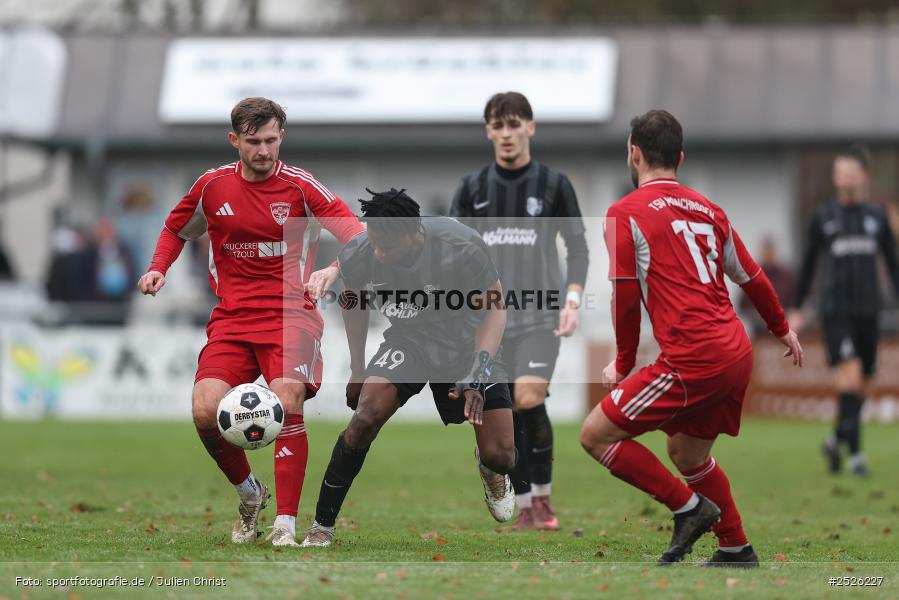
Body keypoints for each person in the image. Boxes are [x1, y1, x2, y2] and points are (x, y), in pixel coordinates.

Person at [137, 97, 364, 547]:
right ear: (234, 140)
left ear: (281, 137)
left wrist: (334, 270)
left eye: (272, 140)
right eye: (255, 142)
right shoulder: (212, 187)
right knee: (205, 411)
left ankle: (286, 524)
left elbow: (354, 232)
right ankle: (249, 493)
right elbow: (175, 229)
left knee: (288, 398)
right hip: (233, 319)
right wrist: (160, 266)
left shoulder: (300, 186)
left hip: (290, 315)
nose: (265, 150)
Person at [580, 110, 803, 567]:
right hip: (736, 351)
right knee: (686, 451)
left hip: (694, 357)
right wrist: (782, 329)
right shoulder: (710, 210)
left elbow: (624, 297)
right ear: (680, 158)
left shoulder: (624, 213)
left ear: (633, 153)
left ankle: (689, 509)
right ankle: (736, 547)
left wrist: (622, 364)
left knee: (596, 435)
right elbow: (754, 278)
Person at [300, 188, 516, 548]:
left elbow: (495, 309)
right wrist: (358, 369)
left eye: (388, 247)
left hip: (468, 342)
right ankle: (322, 527)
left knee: (502, 454)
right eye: (375, 243)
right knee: (364, 418)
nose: (380, 253)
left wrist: (479, 371)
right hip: (410, 341)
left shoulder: (461, 246)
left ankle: (489, 466)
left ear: (415, 233)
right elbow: (354, 302)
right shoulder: (363, 251)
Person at [449, 91, 589, 530]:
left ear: (531, 128)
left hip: (539, 316)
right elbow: (453, 252)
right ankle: (525, 501)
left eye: (515, 125)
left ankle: (542, 500)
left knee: (529, 397)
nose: (507, 134)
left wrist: (571, 300)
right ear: (488, 131)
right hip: (488, 321)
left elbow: (579, 246)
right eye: (498, 125)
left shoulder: (554, 185)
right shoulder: (472, 189)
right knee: (506, 417)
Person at [789, 145, 899, 477]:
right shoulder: (822, 217)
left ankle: (836, 440)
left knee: (865, 383)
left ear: (864, 175)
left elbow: (893, 265)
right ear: (836, 177)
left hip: (869, 310)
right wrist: (795, 307)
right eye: (842, 172)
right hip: (835, 310)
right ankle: (856, 456)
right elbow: (807, 265)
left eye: (853, 171)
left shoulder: (877, 217)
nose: (847, 177)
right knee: (849, 377)